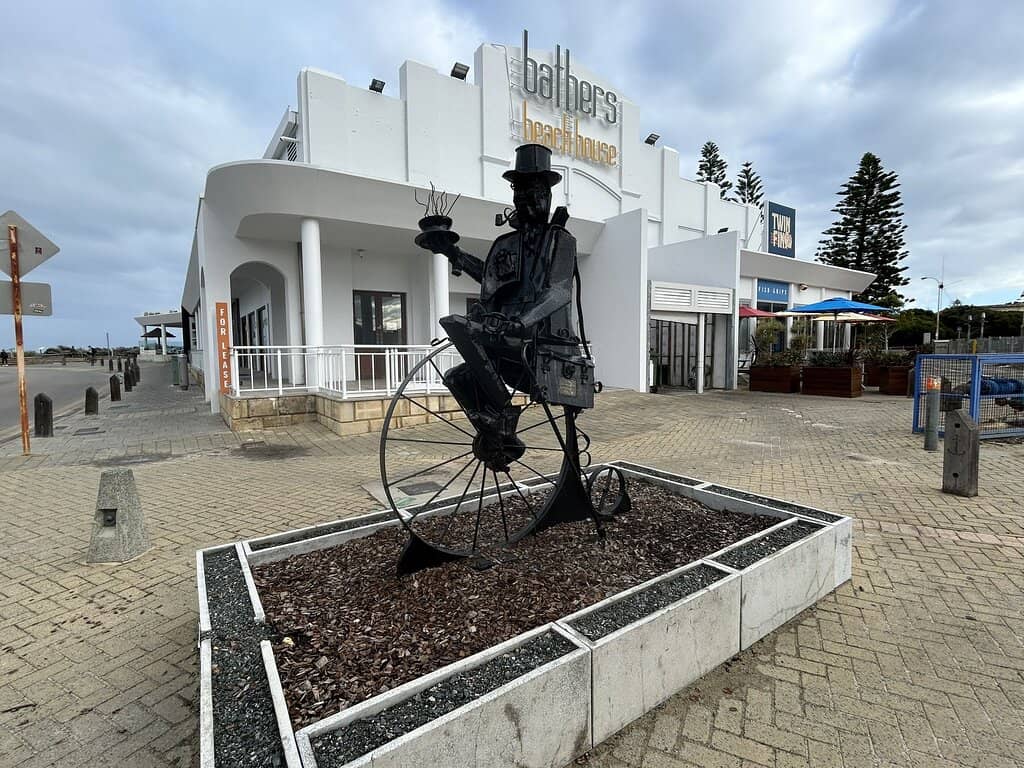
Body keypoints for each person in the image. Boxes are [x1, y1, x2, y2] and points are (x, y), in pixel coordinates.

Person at [415, 143, 586, 472]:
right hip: (512, 346)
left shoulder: (561, 240)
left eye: (535, 192)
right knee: (458, 376)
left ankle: (504, 425)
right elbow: (491, 280)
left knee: (468, 341)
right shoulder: (507, 244)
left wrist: (522, 322)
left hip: (548, 350)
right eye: (520, 193)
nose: (527, 200)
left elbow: (559, 292)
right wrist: (453, 254)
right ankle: (502, 437)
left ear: (548, 197)